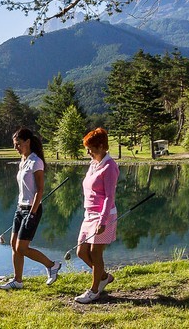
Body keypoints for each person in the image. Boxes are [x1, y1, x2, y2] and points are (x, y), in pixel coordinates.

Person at [0, 127, 62, 290]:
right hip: (20, 208)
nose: (15, 147)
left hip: (31, 210)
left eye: (18, 144)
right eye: (14, 144)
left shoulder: (36, 161)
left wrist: (32, 213)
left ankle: (52, 265)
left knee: (22, 247)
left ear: (27, 142)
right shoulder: (23, 161)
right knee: (14, 244)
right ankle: (17, 281)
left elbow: (40, 190)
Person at [74, 128, 119, 304]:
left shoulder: (110, 167)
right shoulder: (94, 164)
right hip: (89, 215)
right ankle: (104, 277)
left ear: (101, 146)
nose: (88, 152)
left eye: (90, 148)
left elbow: (109, 197)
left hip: (104, 215)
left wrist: (102, 220)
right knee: (81, 252)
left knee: (95, 252)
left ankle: (94, 291)